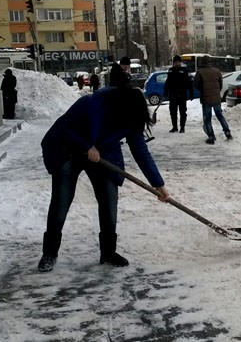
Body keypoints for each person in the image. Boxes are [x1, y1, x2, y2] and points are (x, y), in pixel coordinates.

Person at [37, 64, 170, 272]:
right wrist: (86, 146)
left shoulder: (130, 117)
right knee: (62, 199)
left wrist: (158, 184)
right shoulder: (89, 103)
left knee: (109, 198)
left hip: (102, 154)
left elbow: (141, 152)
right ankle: (49, 253)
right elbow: (62, 129)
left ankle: (108, 252)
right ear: (121, 108)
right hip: (66, 150)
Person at [194, 56, 232, 144]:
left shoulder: (200, 72)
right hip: (216, 98)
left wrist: (202, 89)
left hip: (206, 99)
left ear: (202, 62)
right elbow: (221, 84)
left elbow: (195, 85)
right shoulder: (217, 71)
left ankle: (211, 137)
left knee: (207, 118)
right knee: (220, 116)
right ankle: (227, 132)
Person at [164, 55, 194, 133]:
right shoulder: (170, 71)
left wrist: (191, 93)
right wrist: (165, 92)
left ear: (180, 62)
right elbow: (167, 82)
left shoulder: (185, 70)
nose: (176, 64)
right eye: (175, 62)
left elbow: (189, 83)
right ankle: (174, 127)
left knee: (182, 111)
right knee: (173, 111)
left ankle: (182, 127)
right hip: (173, 94)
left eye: (178, 62)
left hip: (182, 94)